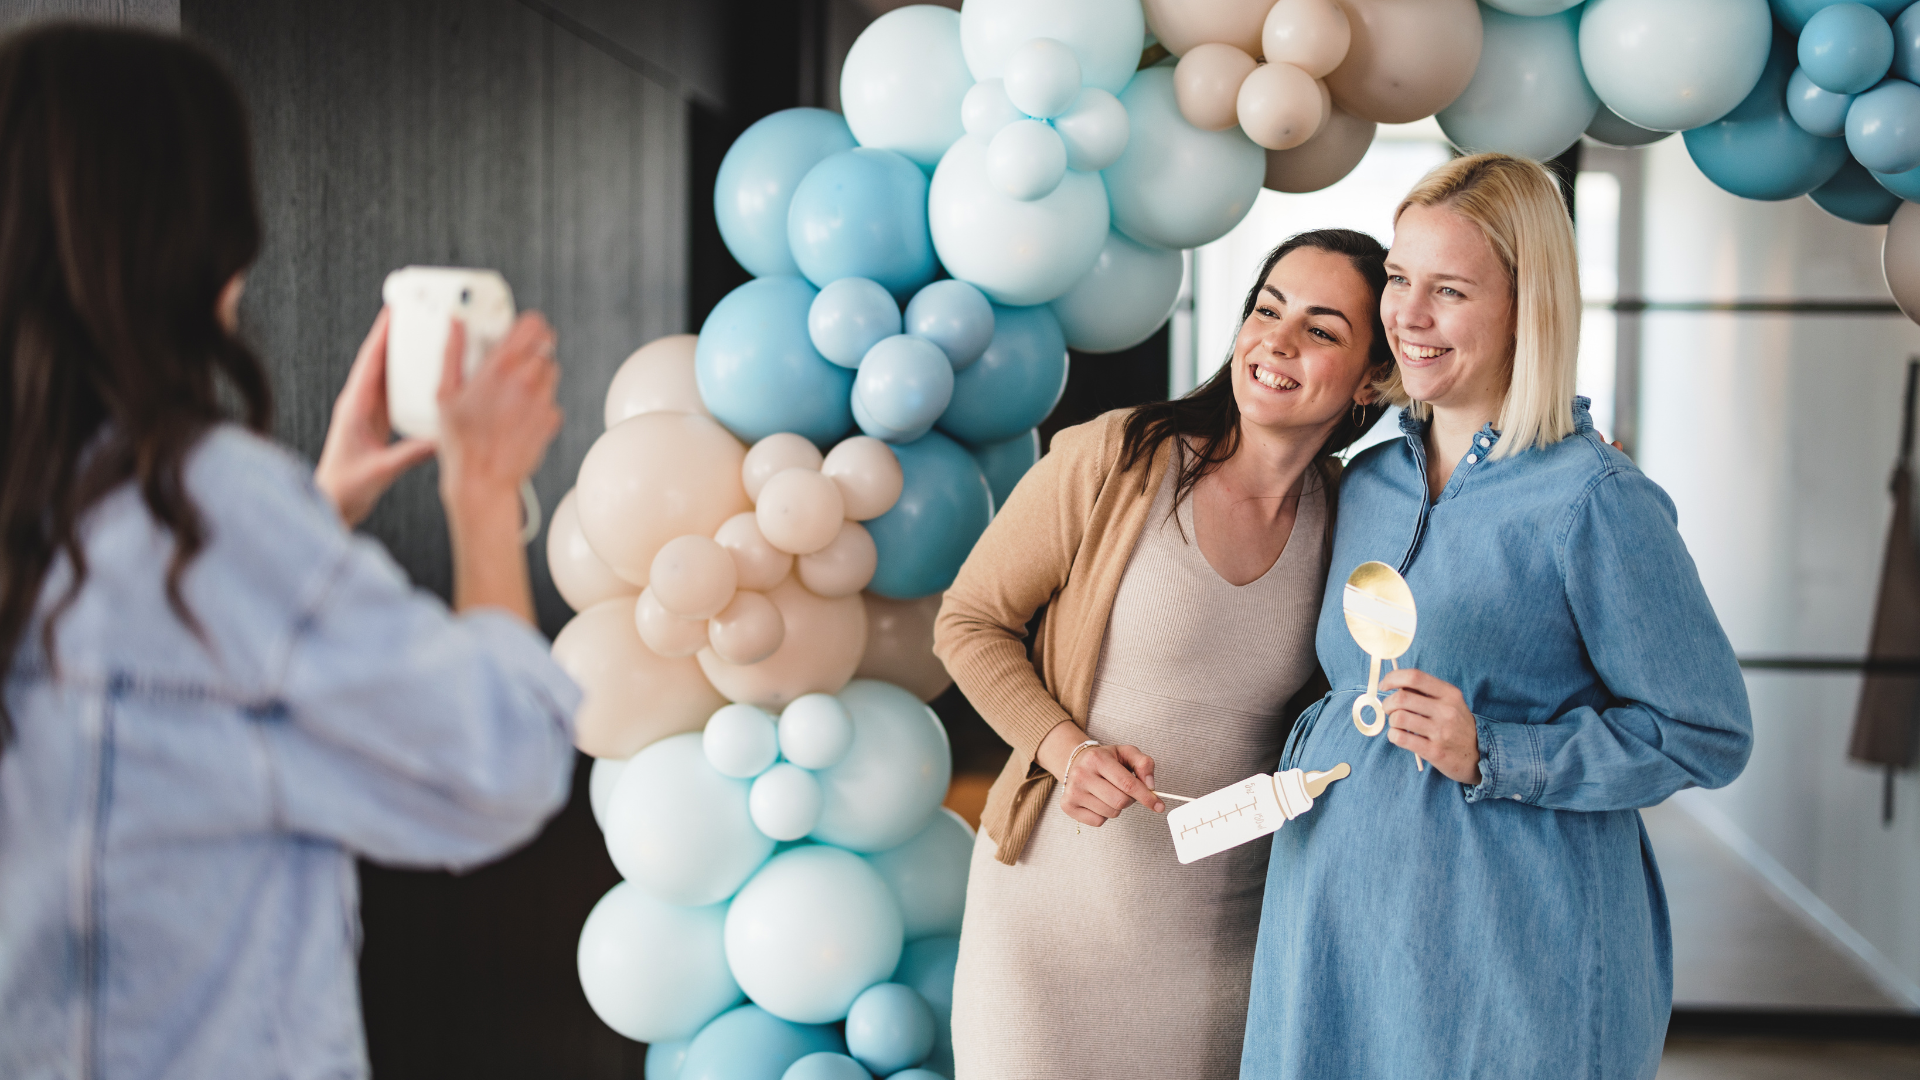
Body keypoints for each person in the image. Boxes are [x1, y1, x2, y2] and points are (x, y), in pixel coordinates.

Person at [0, 25, 578, 1079]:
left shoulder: (77, 506)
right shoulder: (201, 509)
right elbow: (500, 760)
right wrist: (485, 493)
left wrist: (315, 515)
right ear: (199, 232)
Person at [1240, 154, 1753, 1080]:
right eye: (1399, 279)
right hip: (1336, 925)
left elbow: (1706, 733)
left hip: (1507, 950)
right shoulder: (1364, 481)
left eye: (1450, 291)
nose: (1408, 316)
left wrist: (1499, 753)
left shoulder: (1594, 500)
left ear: (1528, 306)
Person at [934, 229, 1397, 1078]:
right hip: (1048, 923)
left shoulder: (1357, 519)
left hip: (1224, 939)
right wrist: (1064, 749)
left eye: (1322, 329)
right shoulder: (1118, 457)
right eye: (1268, 309)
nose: (1277, 342)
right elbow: (969, 621)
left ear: (1375, 376)